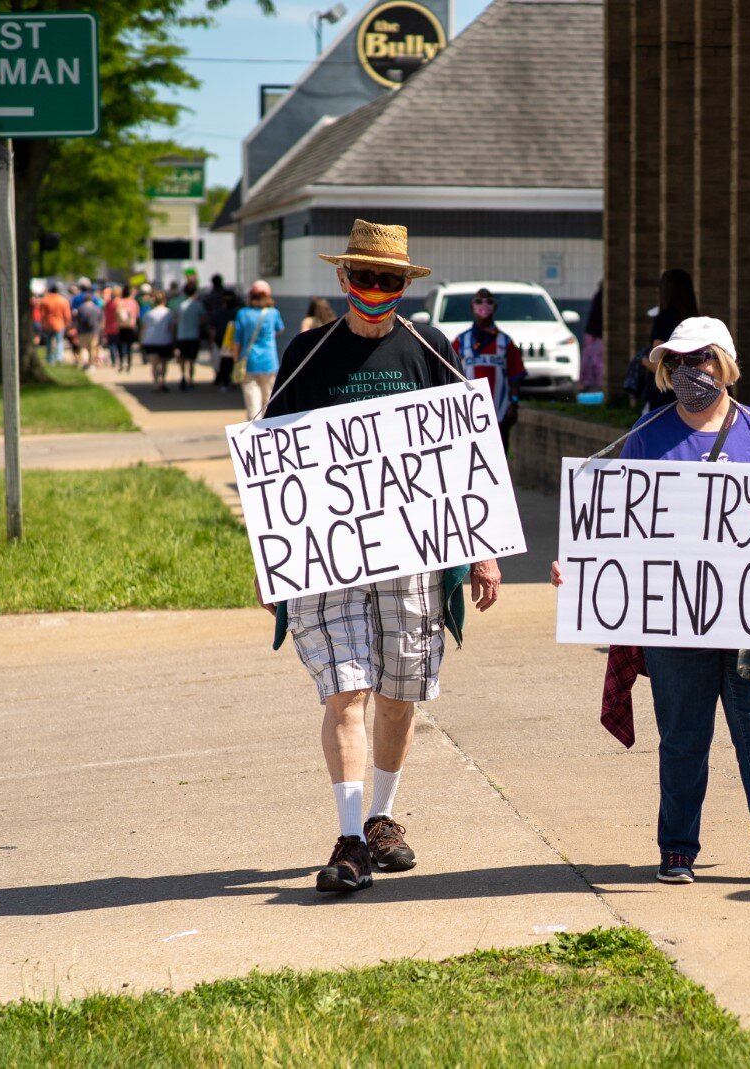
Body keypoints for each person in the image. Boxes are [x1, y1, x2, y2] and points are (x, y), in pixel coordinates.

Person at [550, 316, 750, 886]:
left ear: (725, 364)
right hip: (673, 621)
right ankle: (678, 847)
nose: (690, 371)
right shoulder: (646, 435)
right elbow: (615, 528)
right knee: (684, 735)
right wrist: (581, 567)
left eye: (702, 359)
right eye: (678, 362)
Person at [260, 218, 501, 894]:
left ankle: (382, 819)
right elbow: (272, 460)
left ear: (404, 285)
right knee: (346, 690)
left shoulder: (429, 348)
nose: (373, 289)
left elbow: (466, 456)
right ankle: (346, 835)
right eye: (362, 277)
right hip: (328, 558)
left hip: (414, 559)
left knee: (399, 695)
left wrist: (481, 552)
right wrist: (268, 556)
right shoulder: (306, 353)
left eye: (387, 280)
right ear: (342, 278)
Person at [450, 287, 526, 450]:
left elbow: (515, 375)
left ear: (495, 307)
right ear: (472, 307)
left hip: (500, 411)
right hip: (468, 413)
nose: (484, 305)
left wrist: (514, 403)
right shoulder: (461, 341)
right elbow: (448, 374)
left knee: (499, 455)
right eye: (478, 301)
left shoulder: (505, 342)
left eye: (489, 301)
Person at [640, 268, 698, 410]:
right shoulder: (696, 321)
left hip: (664, 396)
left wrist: (643, 361)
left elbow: (657, 364)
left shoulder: (664, 319)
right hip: (692, 395)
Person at [233, 281, 286, 418]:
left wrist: (236, 359)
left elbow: (237, 340)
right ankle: (268, 433)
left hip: (248, 361)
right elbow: (280, 329)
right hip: (269, 362)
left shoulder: (242, 313)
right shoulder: (273, 313)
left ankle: (254, 433)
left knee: (252, 403)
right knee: (269, 400)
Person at [203, 274, 240, 388]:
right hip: (233, 337)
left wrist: (211, 340)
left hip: (220, 335)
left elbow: (211, 323)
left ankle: (222, 378)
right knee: (232, 360)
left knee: (222, 359)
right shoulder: (236, 309)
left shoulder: (210, 297)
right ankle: (231, 379)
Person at [139, 291, 178, 392]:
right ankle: (162, 381)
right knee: (164, 363)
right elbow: (172, 329)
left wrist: (141, 341)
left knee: (154, 365)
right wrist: (174, 340)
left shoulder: (149, 314)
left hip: (151, 341)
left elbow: (144, 329)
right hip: (165, 340)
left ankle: (156, 383)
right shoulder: (169, 313)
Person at [175, 279, 208, 390]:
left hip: (182, 335)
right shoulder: (198, 305)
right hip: (193, 335)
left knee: (183, 358)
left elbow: (176, 319)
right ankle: (191, 379)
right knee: (191, 360)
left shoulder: (180, 305)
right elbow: (203, 319)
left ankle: (183, 376)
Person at [39, 283, 72, 366]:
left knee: (49, 342)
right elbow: (67, 314)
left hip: (48, 323)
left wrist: (42, 323)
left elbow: (42, 314)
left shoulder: (45, 300)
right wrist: (68, 323)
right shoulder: (62, 300)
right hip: (59, 323)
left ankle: (50, 358)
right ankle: (59, 357)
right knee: (59, 341)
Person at [109, 286, 140, 372]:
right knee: (129, 346)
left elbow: (117, 314)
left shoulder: (121, 302)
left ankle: (122, 362)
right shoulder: (134, 302)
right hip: (131, 327)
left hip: (121, 327)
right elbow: (137, 315)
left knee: (120, 345)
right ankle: (129, 364)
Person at [580, 281, 604, 391]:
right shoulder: (601, 297)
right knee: (596, 361)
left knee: (590, 360)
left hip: (592, 333)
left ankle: (587, 384)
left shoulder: (598, 296)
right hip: (596, 334)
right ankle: (596, 384)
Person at [73, 285, 103, 368]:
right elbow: (101, 320)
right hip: (94, 331)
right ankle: (91, 364)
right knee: (92, 348)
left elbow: (77, 321)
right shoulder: (97, 308)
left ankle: (85, 364)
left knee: (83, 348)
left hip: (82, 331)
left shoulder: (80, 308)